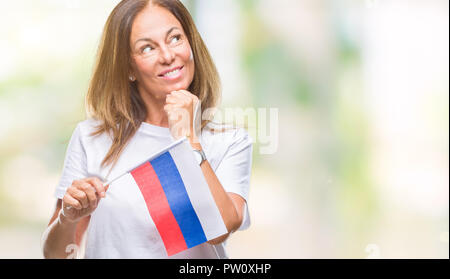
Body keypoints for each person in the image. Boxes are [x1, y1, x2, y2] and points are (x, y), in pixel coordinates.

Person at [41, 0, 252, 259]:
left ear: (190, 44)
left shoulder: (230, 141)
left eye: (175, 38)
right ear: (129, 68)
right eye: (148, 48)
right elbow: (56, 256)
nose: (167, 56)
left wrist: (190, 140)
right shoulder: (91, 138)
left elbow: (221, 229)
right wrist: (68, 217)